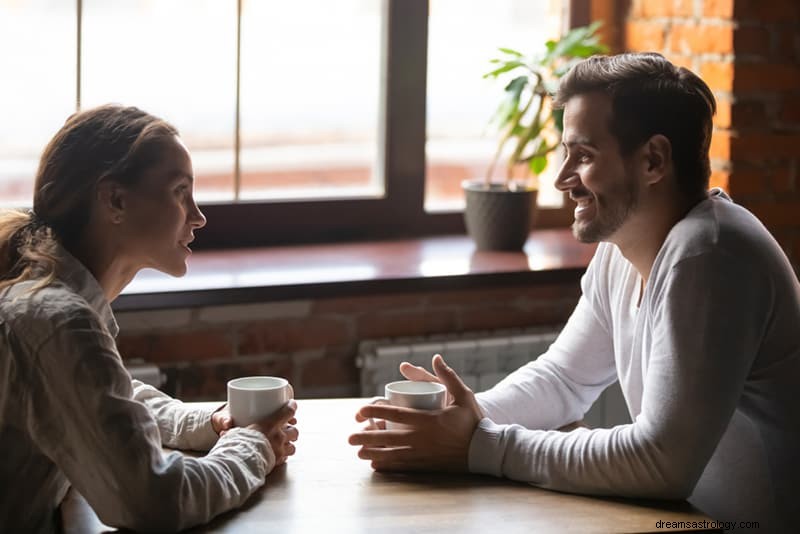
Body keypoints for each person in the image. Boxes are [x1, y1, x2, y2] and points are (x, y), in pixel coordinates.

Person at [349, 52, 799, 532]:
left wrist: (476, 445)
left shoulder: (708, 254)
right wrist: (455, 419)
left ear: (653, 160)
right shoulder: (624, 249)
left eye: (583, 156)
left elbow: (662, 462)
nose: (562, 178)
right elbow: (564, 379)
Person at [0, 105, 299, 532]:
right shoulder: (59, 322)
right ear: (116, 200)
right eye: (180, 191)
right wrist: (252, 447)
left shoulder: (49, 301)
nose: (198, 216)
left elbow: (99, 397)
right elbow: (154, 500)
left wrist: (208, 424)